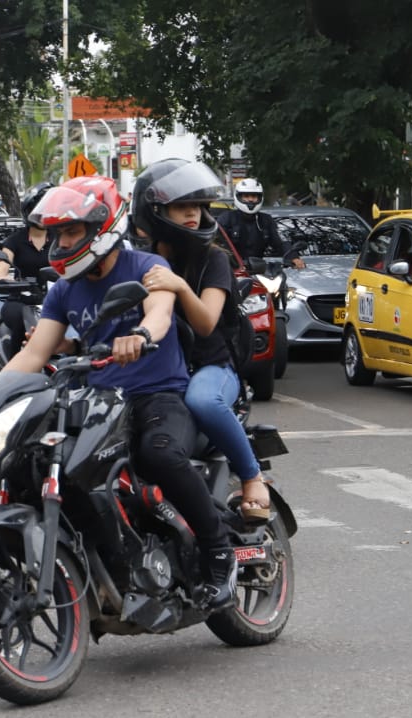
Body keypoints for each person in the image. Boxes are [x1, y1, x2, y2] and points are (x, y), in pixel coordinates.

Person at [0, 178, 238, 610]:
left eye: (72, 232)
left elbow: (161, 313)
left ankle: (219, 551)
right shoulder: (64, 290)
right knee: (48, 459)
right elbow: (35, 353)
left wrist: (142, 335)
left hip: (157, 395)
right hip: (98, 400)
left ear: (102, 229)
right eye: (58, 234)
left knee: (160, 454)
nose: (62, 242)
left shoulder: (147, 268)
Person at [134, 159, 272, 523]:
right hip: (157, 373)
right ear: (156, 212)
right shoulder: (136, 262)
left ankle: (252, 477)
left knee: (204, 401)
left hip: (210, 367)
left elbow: (207, 323)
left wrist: (178, 286)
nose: (193, 214)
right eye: (182, 206)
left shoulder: (214, 260)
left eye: (197, 206)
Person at [0, 182, 52, 351]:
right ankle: (13, 369)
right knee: (19, 318)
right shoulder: (15, 241)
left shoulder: (60, 239)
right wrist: (6, 280)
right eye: (38, 212)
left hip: (52, 298)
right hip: (21, 299)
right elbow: (1, 270)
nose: (42, 217)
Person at [217, 177, 305, 269]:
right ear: (239, 197)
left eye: (254, 196)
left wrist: (293, 257)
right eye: (246, 196)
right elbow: (217, 245)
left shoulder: (265, 220)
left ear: (259, 198)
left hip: (258, 270)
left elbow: (279, 242)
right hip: (230, 270)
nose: (250, 200)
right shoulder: (226, 218)